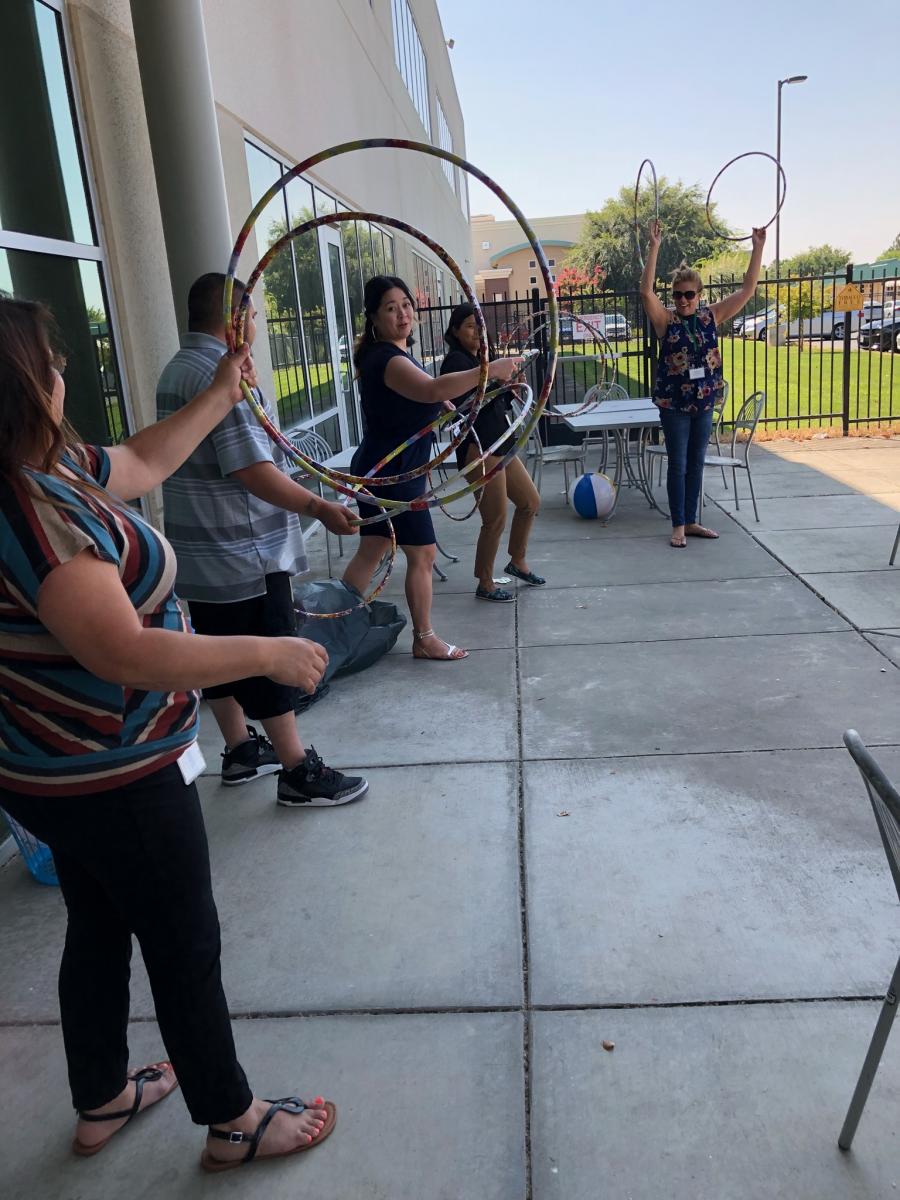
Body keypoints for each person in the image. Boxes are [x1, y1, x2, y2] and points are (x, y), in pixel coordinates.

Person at [0, 297, 337, 1169]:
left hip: (61, 771)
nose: (64, 373)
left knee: (100, 922)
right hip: (109, 772)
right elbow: (124, 652)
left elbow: (146, 458)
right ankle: (233, 1120)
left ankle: (102, 1095)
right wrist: (267, 651)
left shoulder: (50, 468)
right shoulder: (28, 512)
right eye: (53, 360)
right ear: (24, 382)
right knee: (184, 940)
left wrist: (224, 392)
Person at [157, 273, 367, 807]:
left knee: (216, 656)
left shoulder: (178, 368)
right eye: (252, 315)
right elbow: (252, 467)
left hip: (201, 554)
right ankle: (297, 771)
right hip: (244, 554)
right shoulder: (217, 375)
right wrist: (320, 505)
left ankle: (240, 749)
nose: (258, 325)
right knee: (272, 657)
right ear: (232, 319)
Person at [341, 276, 521, 659]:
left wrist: (436, 406)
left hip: (384, 466)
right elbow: (428, 388)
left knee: (372, 547)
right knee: (422, 554)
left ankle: (339, 624)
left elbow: (417, 395)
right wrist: (488, 370)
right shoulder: (386, 358)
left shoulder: (392, 355)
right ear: (374, 317)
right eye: (391, 308)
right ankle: (423, 638)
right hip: (394, 473)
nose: (402, 313)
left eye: (405, 304)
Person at [640, 220, 765, 548]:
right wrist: (654, 247)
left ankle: (692, 521)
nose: (683, 300)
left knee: (696, 462)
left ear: (699, 294)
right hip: (674, 406)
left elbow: (748, 289)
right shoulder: (665, 320)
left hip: (704, 402)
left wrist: (758, 248)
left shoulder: (711, 315)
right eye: (678, 295)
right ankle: (678, 525)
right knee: (678, 463)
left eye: (689, 295)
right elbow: (645, 292)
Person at [439, 303, 544, 602]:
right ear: (456, 331)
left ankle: (517, 561)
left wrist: (510, 388)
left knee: (529, 502)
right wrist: (496, 384)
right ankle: (485, 582)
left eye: (481, 327)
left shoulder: (486, 358)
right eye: (471, 326)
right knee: (495, 517)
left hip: (501, 442)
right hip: (479, 448)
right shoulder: (456, 363)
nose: (478, 333)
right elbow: (462, 406)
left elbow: (497, 401)